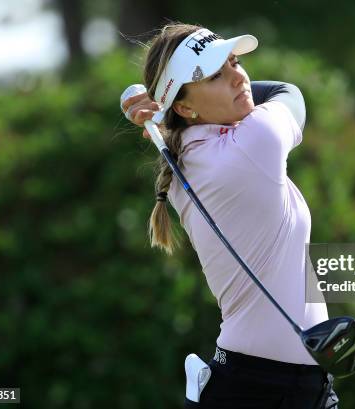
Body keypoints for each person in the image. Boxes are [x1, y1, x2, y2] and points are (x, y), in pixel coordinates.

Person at [121, 22, 339, 409]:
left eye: (235, 63)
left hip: (280, 384)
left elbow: (182, 124)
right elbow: (288, 93)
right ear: (186, 107)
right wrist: (160, 108)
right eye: (215, 75)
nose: (238, 77)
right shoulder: (254, 140)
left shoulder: (181, 154)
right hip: (260, 389)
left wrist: (165, 107)